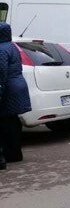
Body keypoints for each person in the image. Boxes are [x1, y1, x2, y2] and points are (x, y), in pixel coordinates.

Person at [0, 23, 31, 170]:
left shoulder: (1, 49)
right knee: (12, 120)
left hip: (9, 89)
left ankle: (9, 154)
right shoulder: (12, 47)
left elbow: (1, 72)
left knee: (5, 122)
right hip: (18, 86)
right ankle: (15, 153)